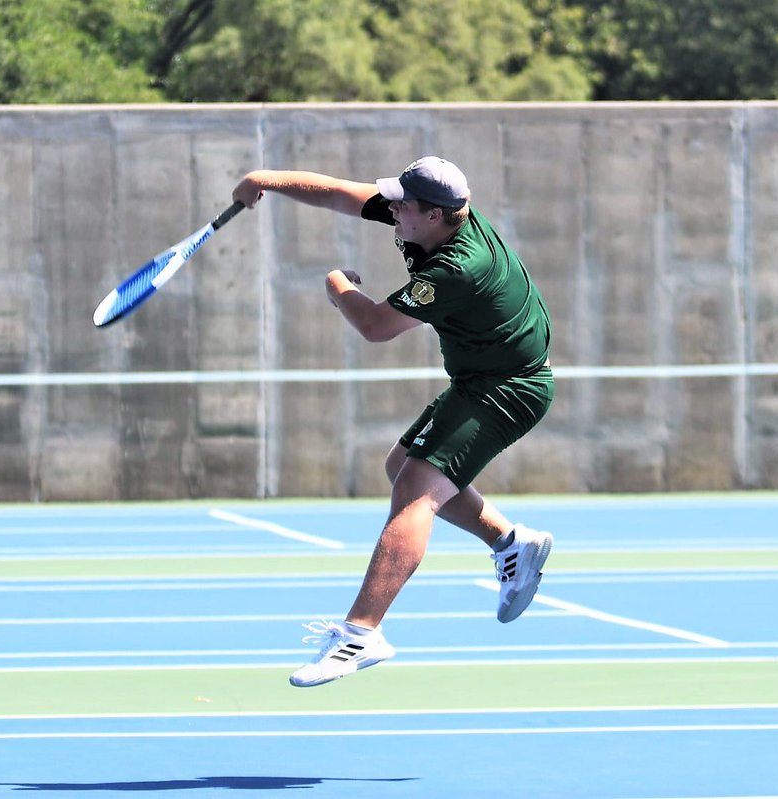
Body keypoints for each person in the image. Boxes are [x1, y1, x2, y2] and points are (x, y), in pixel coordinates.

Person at [231, 156, 554, 688]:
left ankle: (361, 632)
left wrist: (338, 286)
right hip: (484, 377)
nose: (393, 208)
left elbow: (376, 325)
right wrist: (265, 180)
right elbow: (338, 193)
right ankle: (512, 542)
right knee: (402, 464)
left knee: (415, 492)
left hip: (508, 388)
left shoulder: (455, 268)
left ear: (435, 216)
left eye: (404, 204)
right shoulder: (430, 216)